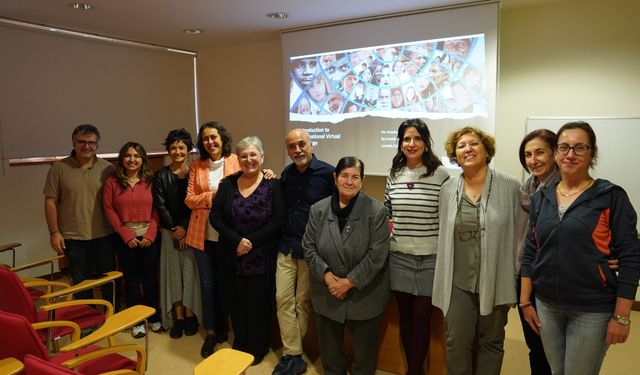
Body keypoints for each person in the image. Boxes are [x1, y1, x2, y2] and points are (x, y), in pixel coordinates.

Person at [520, 121, 640, 375]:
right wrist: (525, 302)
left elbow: (630, 256)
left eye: (579, 148)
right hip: (547, 305)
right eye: (563, 147)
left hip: (592, 309)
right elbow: (531, 249)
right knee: (556, 371)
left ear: (592, 153)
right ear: (555, 153)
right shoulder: (542, 197)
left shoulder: (610, 196)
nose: (570, 154)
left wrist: (622, 316)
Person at [433, 126, 521, 375]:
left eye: (473, 144)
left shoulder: (510, 186)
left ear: (486, 150)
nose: (467, 149)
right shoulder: (448, 189)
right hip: (458, 281)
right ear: (455, 154)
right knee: (456, 343)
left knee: (492, 342)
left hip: (495, 278)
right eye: (461, 146)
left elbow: (520, 234)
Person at [303, 156, 390, 375]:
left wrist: (349, 282)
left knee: (364, 360)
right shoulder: (318, 209)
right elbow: (309, 247)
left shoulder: (375, 210)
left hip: (364, 295)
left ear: (362, 180)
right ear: (335, 178)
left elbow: (377, 256)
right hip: (327, 293)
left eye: (355, 177)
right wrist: (328, 277)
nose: (349, 182)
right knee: (330, 360)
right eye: (344, 176)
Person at [210, 136, 286, 366]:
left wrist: (248, 242)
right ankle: (240, 343)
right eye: (243, 156)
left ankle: (258, 347)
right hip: (233, 255)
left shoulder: (274, 184)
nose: (249, 159)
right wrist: (236, 242)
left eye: (253, 155)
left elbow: (279, 219)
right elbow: (214, 216)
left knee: (258, 303)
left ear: (262, 157)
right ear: (238, 159)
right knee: (236, 301)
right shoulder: (228, 183)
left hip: (261, 256)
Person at [384, 120, 450, 375]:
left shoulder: (441, 175)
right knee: (406, 316)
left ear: (426, 142)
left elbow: (446, 217)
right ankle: (416, 370)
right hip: (399, 256)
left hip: (430, 258)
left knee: (422, 318)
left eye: (417, 139)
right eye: (406, 139)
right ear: (400, 144)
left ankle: (413, 371)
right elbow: (388, 213)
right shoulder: (394, 174)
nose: (411, 144)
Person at [272, 129, 334, 375]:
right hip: (287, 245)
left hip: (312, 249)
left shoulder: (329, 173)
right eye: (291, 146)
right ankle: (293, 354)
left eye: (301, 144)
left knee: (302, 302)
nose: (297, 150)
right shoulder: (286, 173)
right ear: (287, 150)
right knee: (282, 300)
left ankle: (291, 356)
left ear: (311, 144)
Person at [43, 125, 119, 314]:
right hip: (73, 237)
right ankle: (88, 318)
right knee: (81, 281)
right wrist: (54, 233)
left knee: (109, 279)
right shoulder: (59, 169)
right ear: (74, 143)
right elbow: (50, 202)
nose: (87, 146)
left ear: (97, 145)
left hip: (104, 234)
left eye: (91, 142)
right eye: (82, 142)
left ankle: (113, 315)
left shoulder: (108, 168)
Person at [185, 121, 240, 358]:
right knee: (207, 283)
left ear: (222, 138)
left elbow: (244, 190)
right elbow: (189, 199)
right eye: (205, 138)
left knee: (227, 282)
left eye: (214, 137)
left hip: (228, 233)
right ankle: (210, 331)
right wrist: (216, 196)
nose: (210, 142)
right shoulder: (196, 165)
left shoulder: (236, 160)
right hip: (201, 234)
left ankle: (225, 328)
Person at [103, 142, 162, 338]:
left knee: (150, 281)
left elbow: (157, 209)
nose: (132, 159)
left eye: (136, 156)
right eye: (128, 155)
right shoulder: (112, 182)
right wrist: (127, 236)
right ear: (122, 159)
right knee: (131, 282)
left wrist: (150, 235)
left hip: (149, 237)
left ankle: (153, 318)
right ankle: (137, 321)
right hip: (124, 238)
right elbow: (109, 210)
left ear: (143, 159)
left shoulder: (151, 180)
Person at [152, 128, 203, 339]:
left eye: (181, 147)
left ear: (189, 149)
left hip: (193, 230)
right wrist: (176, 229)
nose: (177, 151)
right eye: (173, 147)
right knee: (173, 276)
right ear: (168, 150)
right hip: (169, 232)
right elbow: (160, 205)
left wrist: (185, 228)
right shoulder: (160, 175)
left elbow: (197, 203)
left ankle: (191, 316)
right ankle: (179, 317)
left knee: (190, 274)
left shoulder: (196, 172)